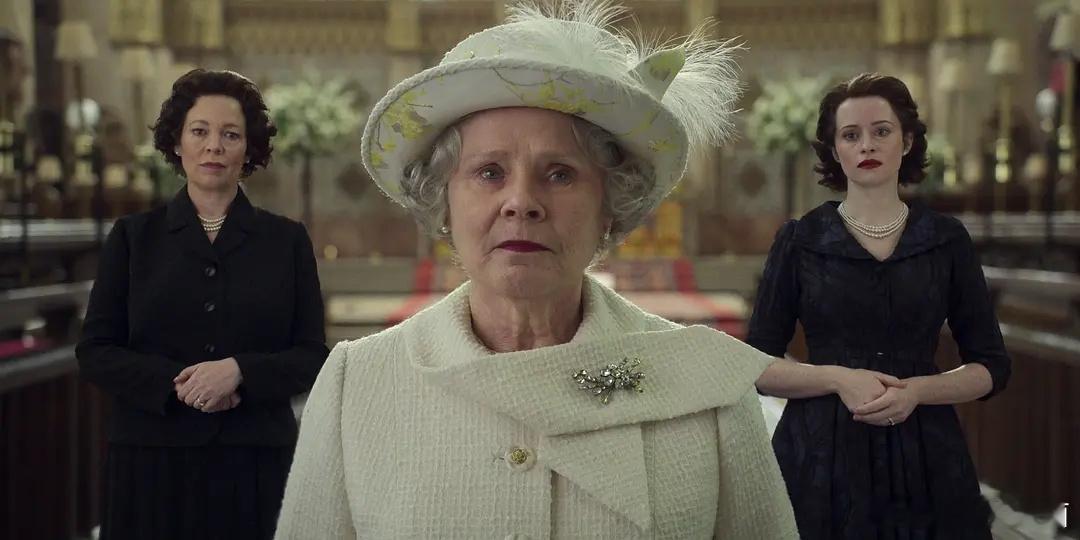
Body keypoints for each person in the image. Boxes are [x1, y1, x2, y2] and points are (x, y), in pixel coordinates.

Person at [274, 1, 797, 538]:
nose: (521, 202)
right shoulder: (355, 383)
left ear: (610, 204)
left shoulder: (710, 382)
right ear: (443, 200)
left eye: (560, 174)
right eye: (489, 172)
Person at [747, 73, 1011, 539]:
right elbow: (756, 364)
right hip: (820, 454)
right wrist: (837, 378)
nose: (866, 144)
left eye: (881, 131)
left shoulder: (946, 240)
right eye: (851, 135)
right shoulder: (801, 240)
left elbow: (991, 365)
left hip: (925, 449)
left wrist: (917, 391)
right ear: (835, 150)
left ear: (906, 141)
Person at [77, 69, 329, 540]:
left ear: (249, 149)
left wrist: (240, 372)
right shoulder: (133, 238)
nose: (214, 146)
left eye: (230, 134)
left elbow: (312, 355)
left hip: (254, 463)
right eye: (200, 131)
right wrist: (180, 386)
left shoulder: (286, 241)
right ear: (177, 142)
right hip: (150, 461)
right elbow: (95, 352)